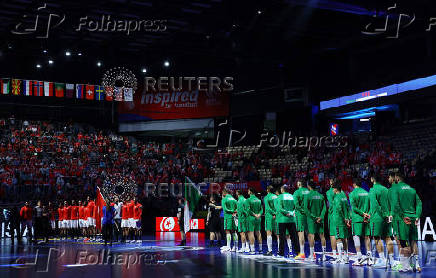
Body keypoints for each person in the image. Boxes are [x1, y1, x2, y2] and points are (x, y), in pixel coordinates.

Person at [392, 172, 422, 273]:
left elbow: (396, 205)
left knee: (404, 242)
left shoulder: (395, 188)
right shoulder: (412, 189)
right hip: (413, 218)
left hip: (403, 219)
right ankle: (417, 265)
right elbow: (419, 203)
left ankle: (406, 267)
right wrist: (417, 215)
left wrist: (403, 216)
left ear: (397, 178)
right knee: (413, 241)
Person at [369, 174, 394, 268]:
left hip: (377, 217)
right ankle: (392, 261)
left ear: (372, 179)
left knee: (377, 238)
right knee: (388, 238)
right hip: (387, 217)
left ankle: (383, 261)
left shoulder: (372, 190)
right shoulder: (386, 190)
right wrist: (389, 214)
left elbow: (375, 206)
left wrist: (383, 215)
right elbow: (391, 203)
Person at [349, 177, 371, 266]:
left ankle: (359, 258)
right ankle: (369, 258)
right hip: (366, 219)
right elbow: (370, 206)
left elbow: (353, 208)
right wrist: (367, 214)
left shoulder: (352, 193)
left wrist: (362, 214)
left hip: (357, 218)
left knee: (356, 236)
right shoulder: (367, 193)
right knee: (367, 237)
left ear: (354, 184)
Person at [305, 181, 327, 261]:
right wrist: (320, 217)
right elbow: (325, 208)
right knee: (322, 236)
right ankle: (324, 256)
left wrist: (314, 217)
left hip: (311, 219)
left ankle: (312, 255)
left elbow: (306, 209)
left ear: (309, 186)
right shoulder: (321, 196)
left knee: (311, 235)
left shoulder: (307, 196)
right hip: (320, 219)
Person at [276, 185, 299, 258]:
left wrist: (287, 213)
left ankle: (281, 253)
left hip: (282, 219)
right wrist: (291, 213)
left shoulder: (279, 197)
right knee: (294, 237)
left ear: (282, 190)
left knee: (282, 237)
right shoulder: (292, 196)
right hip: (291, 219)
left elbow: (279, 208)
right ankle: (298, 253)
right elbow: (296, 207)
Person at [331, 183, 351, 264]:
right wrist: (347, 218)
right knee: (344, 238)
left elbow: (339, 209)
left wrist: (343, 218)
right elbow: (348, 207)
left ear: (336, 189)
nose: (332, 190)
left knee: (338, 238)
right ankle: (345, 257)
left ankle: (339, 258)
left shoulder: (337, 197)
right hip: (344, 220)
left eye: (333, 188)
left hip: (338, 220)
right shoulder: (344, 196)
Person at [293, 180, 310, 259]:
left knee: (301, 233)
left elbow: (296, 205)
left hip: (300, 215)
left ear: (299, 184)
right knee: (309, 233)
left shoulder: (297, 192)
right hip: (309, 215)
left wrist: (303, 211)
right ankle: (312, 253)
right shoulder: (309, 191)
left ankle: (302, 253)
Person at [246, 187, 263, 254]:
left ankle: (252, 250)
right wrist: (259, 214)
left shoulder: (248, 200)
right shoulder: (259, 200)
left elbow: (248, 210)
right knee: (258, 233)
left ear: (250, 192)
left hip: (251, 218)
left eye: (248, 191)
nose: (248, 192)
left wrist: (254, 215)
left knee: (251, 233)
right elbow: (262, 209)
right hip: (258, 218)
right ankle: (260, 249)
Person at [264, 186, 278, 256]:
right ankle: (279, 250)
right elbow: (278, 206)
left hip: (269, 216)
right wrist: (276, 214)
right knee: (277, 233)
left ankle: (270, 250)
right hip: (277, 216)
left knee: (269, 233)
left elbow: (268, 208)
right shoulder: (276, 196)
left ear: (268, 190)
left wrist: (273, 213)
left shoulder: (266, 197)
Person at [326, 178, 337, 259]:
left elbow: (331, 204)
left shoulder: (329, 192)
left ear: (331, 182)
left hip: (333, 215)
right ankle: (344, 254)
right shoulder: (341, 192)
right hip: (341, 215)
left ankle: (334, 254)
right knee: (342, 235)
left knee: (333, 234)